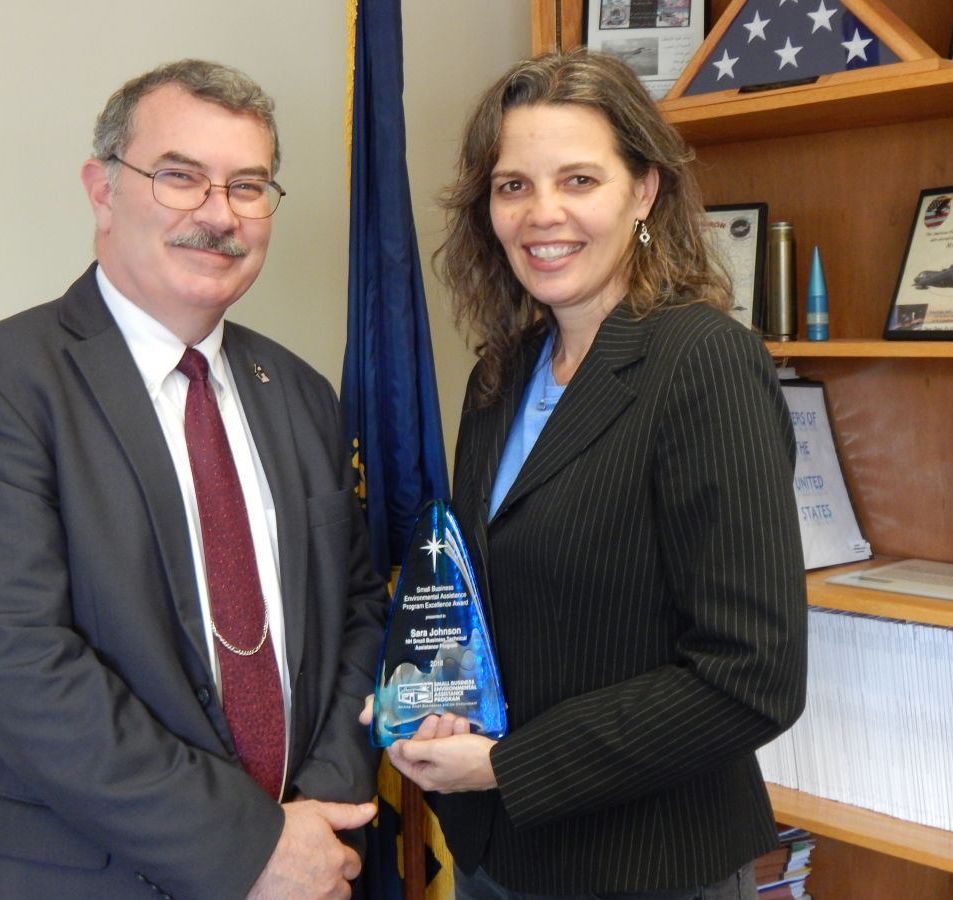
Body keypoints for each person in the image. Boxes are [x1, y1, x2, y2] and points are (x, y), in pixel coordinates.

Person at [0, 59, 387, 900]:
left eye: (248, 186)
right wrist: (252, 847)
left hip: (303, 864)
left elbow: (355, 610)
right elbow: (22, 667)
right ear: (102, 189)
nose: (218, 215)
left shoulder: (303, 394)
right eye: (180, 178)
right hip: (77, 878)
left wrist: (318, 802)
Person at [379, 50, 808, 899]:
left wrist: (506, 764)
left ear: (644, 191)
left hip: (642, 863)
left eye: (579, 180)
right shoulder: (503, 372)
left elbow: (751, 674)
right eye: (513, 186)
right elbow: (497, 602)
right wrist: (422, 691)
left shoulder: (703, 363)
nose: (543, 215)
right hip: (500, 853)